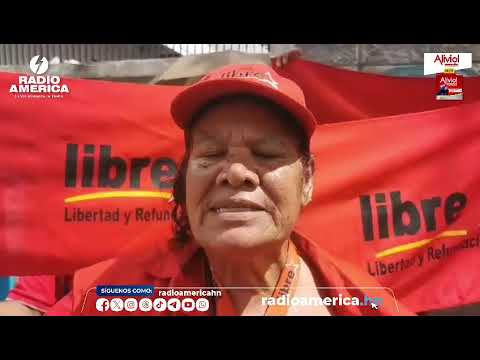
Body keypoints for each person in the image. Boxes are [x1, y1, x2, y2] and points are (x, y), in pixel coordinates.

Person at [73, 63, 414, 316]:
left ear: (307, 180)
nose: (235, 173)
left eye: (266, 155)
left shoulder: (366, 304)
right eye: (211, 154)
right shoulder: (114, 289)